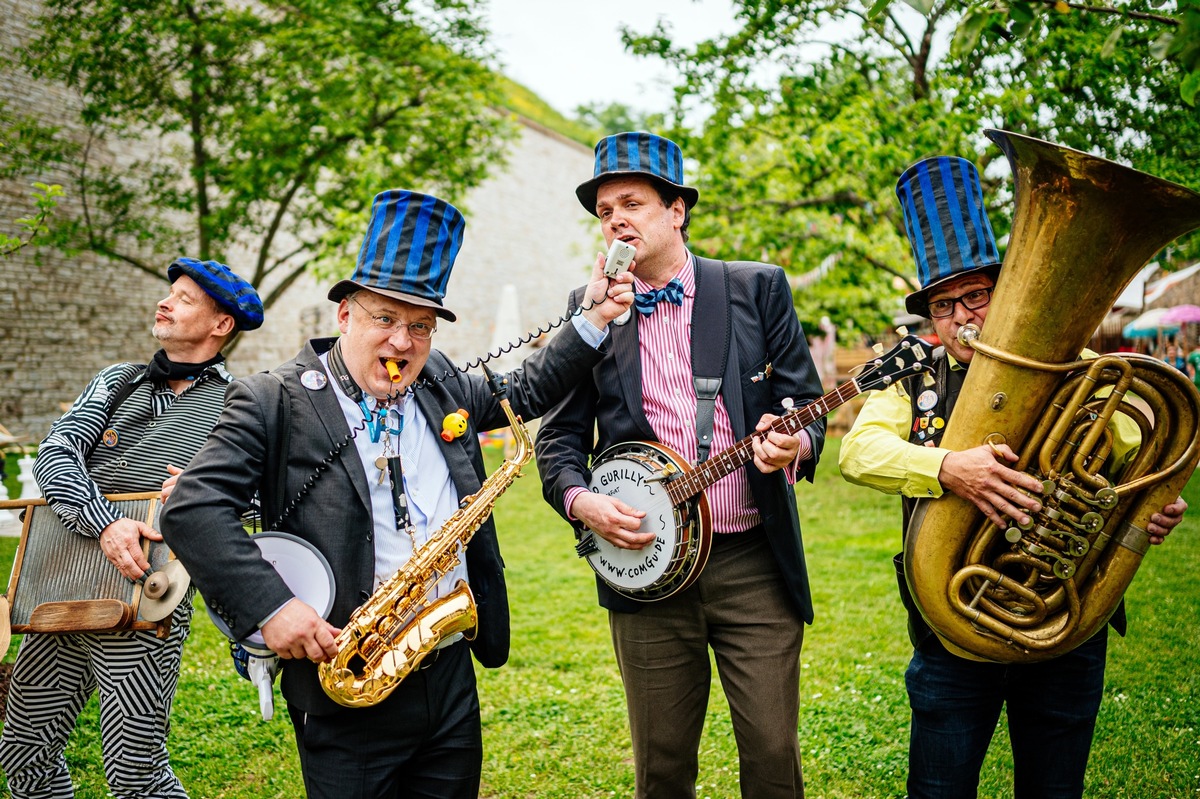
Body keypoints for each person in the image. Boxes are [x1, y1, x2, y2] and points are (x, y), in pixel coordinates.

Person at [158, 189, 634, 799]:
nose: (403, 344)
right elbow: (193, 509)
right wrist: (272, 607)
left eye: (420, 327)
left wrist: (592, 321)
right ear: (345, 315)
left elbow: (527, 388)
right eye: (384, 319)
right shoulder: (272, 398)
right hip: (346, 674)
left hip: (447, 669)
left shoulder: (438, 383)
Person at [839, 155, 1188, 799]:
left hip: (1063, 620)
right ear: (931, 318)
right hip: (953, 629)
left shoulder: (1071, 364)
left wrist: (1149, 505)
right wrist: (948, 467)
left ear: (1004, 291)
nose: (964, 316)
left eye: (977, 295)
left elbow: (1142, 451)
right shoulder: (911, 374)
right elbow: (858, 452)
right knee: (940, 789)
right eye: (946, 306)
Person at [534, 132, 826, 799]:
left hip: (752, 562)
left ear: (677, 211)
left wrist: (795, 443)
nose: (615, 219)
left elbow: (807, 403)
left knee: (774, 753)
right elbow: (560, 440)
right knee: (661, 767)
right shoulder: (591, 311)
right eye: (604, 210)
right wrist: (583, 502)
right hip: (646, 573)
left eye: (631, 202)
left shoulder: (757, 287)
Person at [0, 258, 263, 799]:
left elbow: (263, 502)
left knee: (135, 773)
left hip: (148, 595)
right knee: (24, 754)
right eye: (170, 292)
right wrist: (104, 525)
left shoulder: (243, 402)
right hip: (58, 584)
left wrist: (205, 492)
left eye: (185, 298)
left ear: (221, 325)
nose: (165, 302)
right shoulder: (117, 380)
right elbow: (56, 452)